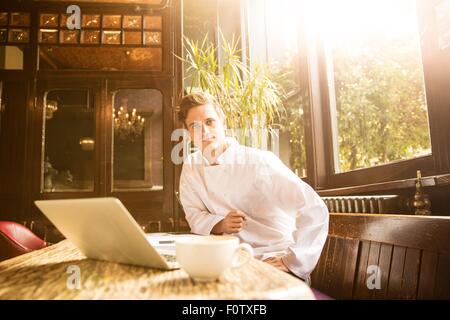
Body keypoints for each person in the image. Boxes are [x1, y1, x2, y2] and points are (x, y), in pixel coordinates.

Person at [177, 92, 329, 282]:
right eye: (195, 126)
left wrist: (293, 261)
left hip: (272, 258)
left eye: (210, 122)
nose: (205, 132)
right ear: (188, 132)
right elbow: (193, 213)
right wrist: (220, 223)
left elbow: (313, 208)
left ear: (222, 122)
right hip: (230, 261)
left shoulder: (258, 161)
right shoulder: (192, 166)